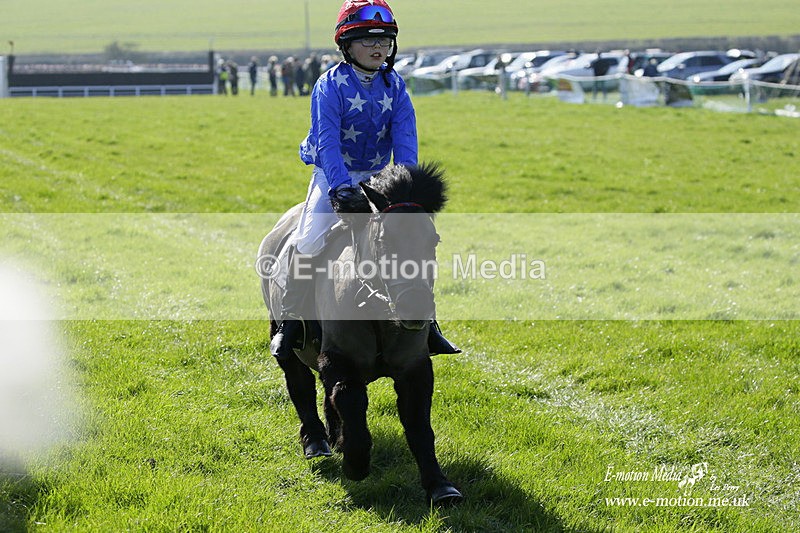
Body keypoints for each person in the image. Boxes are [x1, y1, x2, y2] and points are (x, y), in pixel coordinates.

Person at [270, 0, 459, 361]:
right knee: (308, 239)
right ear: (346, 45)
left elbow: (406, 140)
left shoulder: (396, 85)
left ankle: (429, 323)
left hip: (379, 178)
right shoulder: (329, 85)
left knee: (410, 239)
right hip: (333, 175)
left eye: (385, 41)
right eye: (368, 40)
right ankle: (291, 321)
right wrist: (342, 189)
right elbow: (327, 143)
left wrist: (404, 187)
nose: (378, 48)